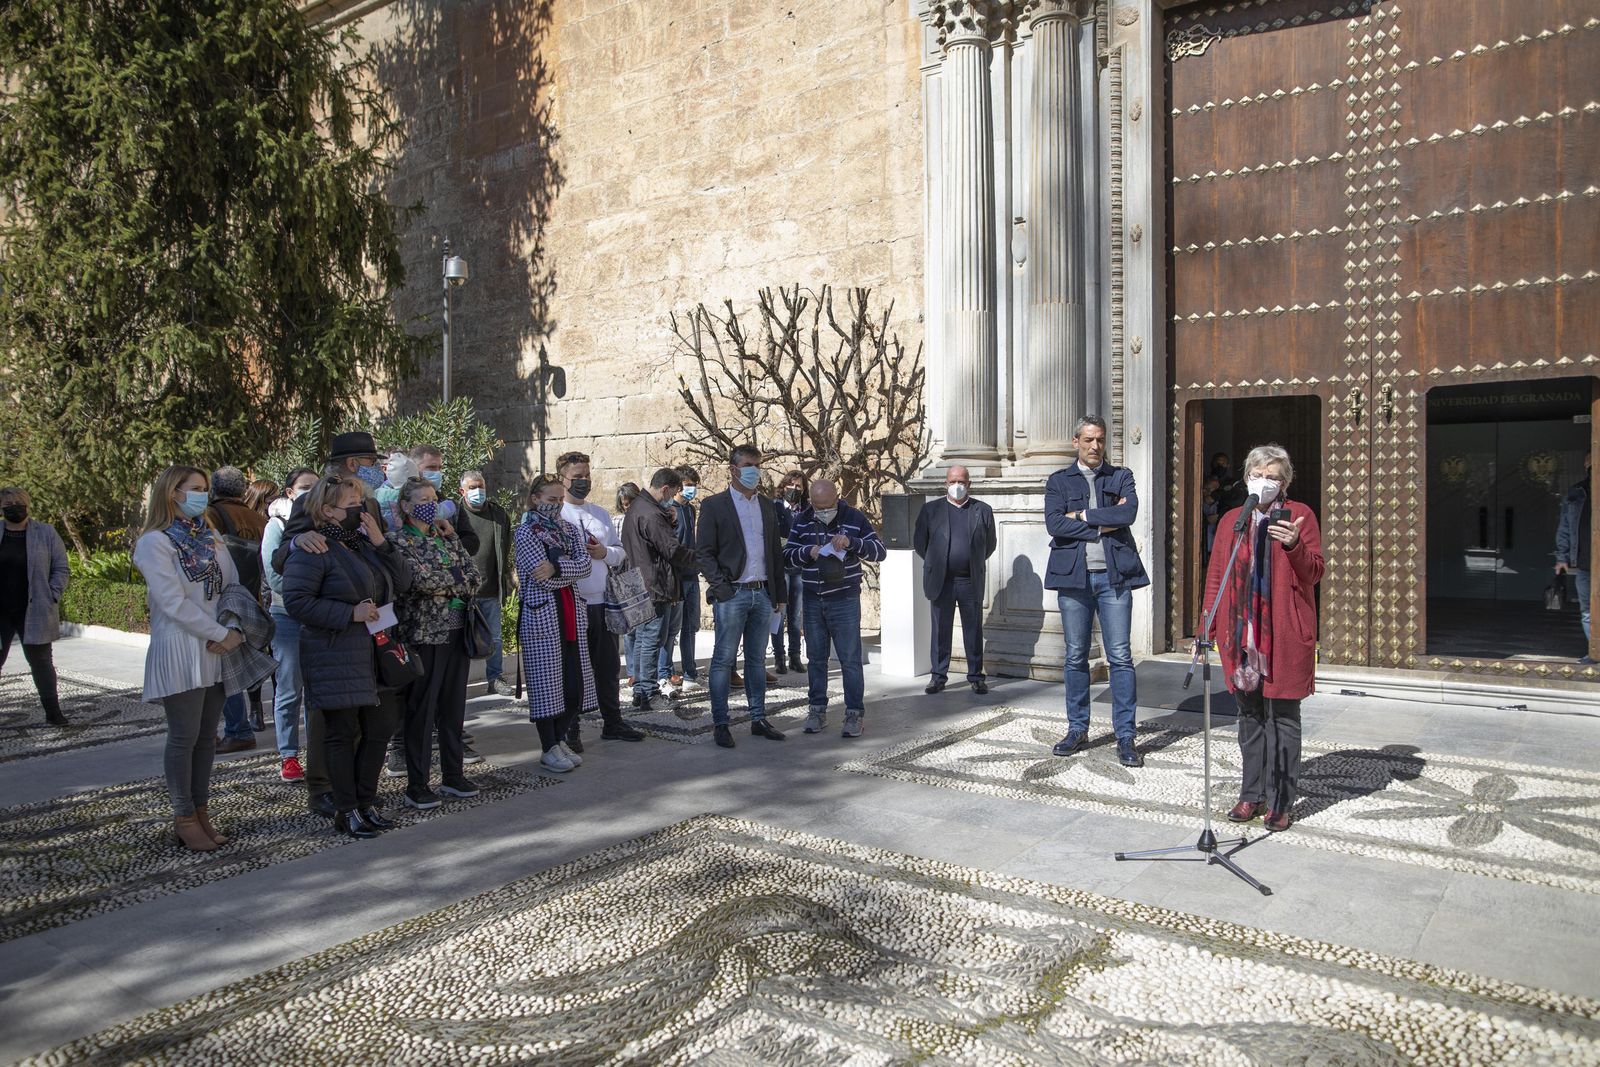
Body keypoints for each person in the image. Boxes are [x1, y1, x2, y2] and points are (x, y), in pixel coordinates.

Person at [282, 475, 413, 838]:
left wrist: (382, 543)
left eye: (362, 503)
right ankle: (347, 808)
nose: (361, 510)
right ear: (327, 511)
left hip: (377, 653)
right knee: (341, 733)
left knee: (379, 730)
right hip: (337, 654)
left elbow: (403, 583)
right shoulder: (314, 548)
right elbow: (297, 602)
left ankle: (366, 801)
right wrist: (348, 613)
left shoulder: (364, 544)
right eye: (353, 505)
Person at [1203, 444, 1325, 833]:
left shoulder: (1301, 516)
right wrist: (1206, 627)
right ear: (1246, 477)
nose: (1265, 481)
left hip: (1284, 633)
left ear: (1285, 482)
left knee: (1283, 718)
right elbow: (1216, 577)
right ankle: (1251, 793)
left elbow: (1314, 573)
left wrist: (1293, 544)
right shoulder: (1230, 521)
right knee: (1249, 715)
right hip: (1242, 634)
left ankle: (1280, 802)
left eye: (1273, 476)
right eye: (1259, 474)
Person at [133, 466, 242, 852]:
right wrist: (220, 633)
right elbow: (171, 602)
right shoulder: (154, 542)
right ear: (172, 492)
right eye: (195, 489)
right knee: (183, 737)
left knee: (206, 739)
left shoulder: (209, 536)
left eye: (205, 489)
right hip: (182, 646)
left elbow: (231, 587)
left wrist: (233, 629)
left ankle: (201, 810)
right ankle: (183, 816)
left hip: (216, 647)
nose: (202, 495)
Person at [1044, 415, 1149, 768]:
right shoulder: (1058, 481)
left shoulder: (1121, 476)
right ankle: (1077, 728)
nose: (1094, 446)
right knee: (1075, 656)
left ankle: (1125, 735)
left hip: (1114, 578)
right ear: (1076, 441)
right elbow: (1053, 522)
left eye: (1100, 440)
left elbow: (1129, 513)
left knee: (1119, 656)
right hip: (1073, 579)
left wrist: (1080, 516)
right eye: (1088, 440)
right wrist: (1101, 522)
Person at [389, 477, 482, 809]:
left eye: (433, 497)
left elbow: (474, 577)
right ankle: (418, 783)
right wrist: (454, 580)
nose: (431, 503)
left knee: (454, 707)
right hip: (425, 633)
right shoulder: (398, 541)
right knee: (422, 710)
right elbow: (419, 581)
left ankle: (453, 775)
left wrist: (452, 543)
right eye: (423, 499)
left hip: (458, 631)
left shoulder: (446, 537)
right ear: (405, 505)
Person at [695, 444, 789, 749]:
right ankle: (721, 723)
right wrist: (722, 588)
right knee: (723, 660)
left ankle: (758, 718)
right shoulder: (714, 505)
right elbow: (704, 553)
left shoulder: (766, 505)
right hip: (733, 594)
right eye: (749, 465)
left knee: (756, 660)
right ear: (733, 469)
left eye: (758, 465)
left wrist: (779, 594)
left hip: (762, 593)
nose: (755, 471)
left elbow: (775, 552)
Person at [782, 478, 886, 738]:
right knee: (816, 659)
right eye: (818, 506)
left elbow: (879, 551)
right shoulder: (803, 519)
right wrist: (809, 551)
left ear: (837, 497)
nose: (823, 511)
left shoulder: (854, 517)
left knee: (850, 660)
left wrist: (853, 543)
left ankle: (854, 714)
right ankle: (816, 710)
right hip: (813, 598)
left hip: (845, 598)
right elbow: (787, 557)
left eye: (827, 506)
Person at [558, 453, 646, 748]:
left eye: (586, 475)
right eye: (577, 476)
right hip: (573, 601)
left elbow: (620, 552)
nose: (583, 481)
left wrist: (604, 553)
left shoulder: (601, 514)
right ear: (562, 478)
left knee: (607, 666)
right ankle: (571, 727)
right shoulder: (557, 515)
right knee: (573, 668)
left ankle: (613, 721)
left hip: (604, 601)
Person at [517, 475, 600, 772]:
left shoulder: (567, 528)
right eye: (551, 500)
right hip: (542, 617)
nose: (556, 505)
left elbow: (585, 565)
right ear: (535, 499)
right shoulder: (526, 532)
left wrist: (557, 566)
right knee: (546, 686)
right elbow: (542, 577)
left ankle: (560, 738)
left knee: (572, 685)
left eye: (559, 500)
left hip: (570, 615)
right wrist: (562, 570)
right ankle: (548, 745)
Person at [620, 468, 699, 712]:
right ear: (665, 489)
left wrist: (670, 521)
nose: (675, 496)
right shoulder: (652, 513)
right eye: (674, 491)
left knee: (645, 640)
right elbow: (672, 550)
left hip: (640, 582)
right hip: (654, 585)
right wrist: (704, 559)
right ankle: (647, 692)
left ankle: (642, 690)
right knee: (652, 640)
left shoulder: (639, 508)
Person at [914, 465, 997, 695]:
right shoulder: (930, 510)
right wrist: (938, 562)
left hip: (970, 581)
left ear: (969, 484)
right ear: (945, 484)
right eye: (952, 481)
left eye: (961, 481)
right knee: (940, 630)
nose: (956, 486)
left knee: (973, 630)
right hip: (941, 581)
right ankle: (938, 676)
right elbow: (921, 543)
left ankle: (976, 676)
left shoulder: (983, 510)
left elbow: (989, 545)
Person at [261, 467, 318, 782]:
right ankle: (289, 754)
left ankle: (317, 749)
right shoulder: (277, 526)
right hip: (287, 617)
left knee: (316, 688)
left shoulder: (325, 522)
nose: (310, 492)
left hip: (318, 618)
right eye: (304, 487)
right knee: (288, 688)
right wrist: (311, 592)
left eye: (315, 486)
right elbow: (274, 576)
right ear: (289, 492)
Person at [209, 465, 269, 748]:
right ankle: (254, 713)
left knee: (225, 667)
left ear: (213, 488)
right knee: (247, 659)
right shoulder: (258, 519)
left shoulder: (209, 517)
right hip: (254, 600)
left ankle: (238, 728)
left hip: (225, 601)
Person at [0, 486, 70, 726]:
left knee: (41, 663)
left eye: (18, 504)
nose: (14, 508)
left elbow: (61, 567)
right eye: (8, 505)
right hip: (1, 610)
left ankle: (53, 712)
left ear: (28, 505)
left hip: (35, 608)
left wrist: (53, 593)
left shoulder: (46, 533)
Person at [458, 469, 513, 694]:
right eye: (472, 487)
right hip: (462, 590)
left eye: (480, 486)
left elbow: (506, 545)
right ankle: (457, 681)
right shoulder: (454, 514)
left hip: (490, 586)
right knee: (458, 638)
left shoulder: (498, 514)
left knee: (495, 637)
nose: (477, 491)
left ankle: (495, 678)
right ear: (462, 490)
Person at [659, 465, 701, 695]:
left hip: (691, 575)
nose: (691, 490)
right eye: (687, 485)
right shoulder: (668, 510)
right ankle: (664, 673)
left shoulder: (691, 510)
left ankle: (689, 672)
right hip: (674, 577)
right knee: (670, 629)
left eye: (694, 485)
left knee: (690, 627)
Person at [1556, 453, 1594, 664]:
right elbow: (1565, 527)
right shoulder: (1576, 493)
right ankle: (1596, 652)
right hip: (1585, 563)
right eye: (1589, 463)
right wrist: (1562, 557)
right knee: (1587, 610)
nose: (1591, 466)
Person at [770, 470, 808, 675]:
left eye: (799, 487)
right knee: (779, 613)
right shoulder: (773, 507)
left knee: (796, 616)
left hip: (799, 568)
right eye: (791, 486)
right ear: (783, 487)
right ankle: (778, 657)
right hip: (780, 567)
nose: (794, 490)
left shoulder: (806, 510)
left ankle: (795, 656)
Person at [614, 481, 642, 686]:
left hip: (644, 577)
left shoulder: (645, 519)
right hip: (624, 578)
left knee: (646, 630)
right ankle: (633, 671)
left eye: (632, 502)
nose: (629, 506)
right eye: (625, 504)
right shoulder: (617, 522)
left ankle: (644, 671)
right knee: (631, 630)